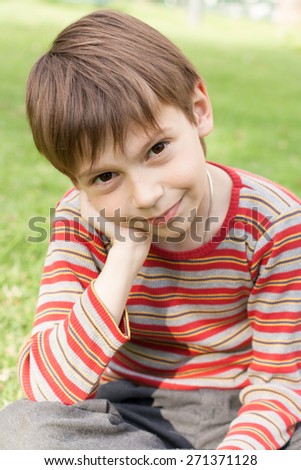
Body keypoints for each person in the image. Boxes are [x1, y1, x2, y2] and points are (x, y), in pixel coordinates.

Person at [0, 9, 301, 450]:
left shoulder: (274, 222)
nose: (145, 195)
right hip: (131, 413)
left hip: (249, 409)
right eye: (105, 177)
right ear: (77, 185)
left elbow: (279, 385)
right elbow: (47, 391)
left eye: (157, 149)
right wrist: (124, 255)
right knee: (21, 434)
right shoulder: (81, 221)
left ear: (198, 111)